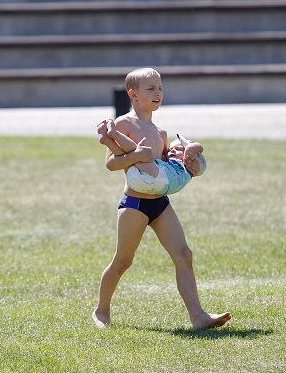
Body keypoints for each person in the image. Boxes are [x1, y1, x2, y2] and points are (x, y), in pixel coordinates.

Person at [92, 67, 231, 329]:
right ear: (133, 95)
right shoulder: (123, 124)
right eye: (151, 89)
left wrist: (185, 162)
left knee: (183, 254)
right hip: (134, 204)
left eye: (160, 88)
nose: (158, 93)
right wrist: (137, 156)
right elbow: (111, 164)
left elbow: (162, 167)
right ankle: (101, 311)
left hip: (160, 203)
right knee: (123, 261)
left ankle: (198, 316)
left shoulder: (161, 131)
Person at [97, 119, 205, 196]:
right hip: (152, 182)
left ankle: (111, 138)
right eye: (171, 149)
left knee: (139, 154)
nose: (172, 150)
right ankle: (111, 138)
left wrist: (193, 149)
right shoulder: (172, 165)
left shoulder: (189, 162)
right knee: (138, 155)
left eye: (179, 149)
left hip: (156, 182)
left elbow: (194, 148)